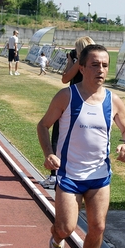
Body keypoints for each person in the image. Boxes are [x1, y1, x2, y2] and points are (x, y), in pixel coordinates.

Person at [37, 44, 125, 248]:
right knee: (65, 228)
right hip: (70, 175)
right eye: (95, 65)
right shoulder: (67, 96)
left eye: (105, 65)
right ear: (82, 68)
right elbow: (43, 125)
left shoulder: (113, 100)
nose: (101, 70)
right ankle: (56, 239)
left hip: (99, 175)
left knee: (98, 227)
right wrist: (48, 154)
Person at [39, 36, 95, 189]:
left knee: (60, 137)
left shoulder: (84, 62)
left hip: (74, 102)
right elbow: (65, 76)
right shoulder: (84, 60)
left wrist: (76, 61)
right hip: (79, 99)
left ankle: (54, 176)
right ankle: (58, 173)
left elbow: (66, 78)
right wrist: (70, 60)